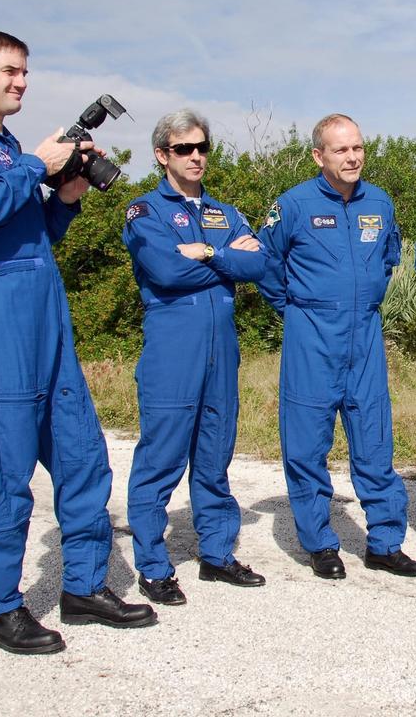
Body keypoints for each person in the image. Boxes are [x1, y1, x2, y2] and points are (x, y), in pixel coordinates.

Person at [0, 29, 154, 655]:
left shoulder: (6, 146)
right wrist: (36, 165)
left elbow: (30, 231)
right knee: (8, 465)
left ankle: (81, 588)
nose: (21, 81)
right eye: (10, 71)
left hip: (43, 308)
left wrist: (65, 195)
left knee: (82, 455)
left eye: (25, 71)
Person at [255, 113, 416, 580]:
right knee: (308, 444)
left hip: (365, 334)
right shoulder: (293, 204)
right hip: (311, 333)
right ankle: (320, 543)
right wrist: (293, 307)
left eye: (358, 148)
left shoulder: (380, 202)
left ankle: (385, 542)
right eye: (341, 149)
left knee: (374, 441)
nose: (352, 157)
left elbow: (389, 259)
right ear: (318, 155)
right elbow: (263, 261)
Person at [123, 110, 269, 606]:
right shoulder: (145, 211)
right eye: (184, 149)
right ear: (162, 154)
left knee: (214, 456)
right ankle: (153, 564)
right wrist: (226, 257)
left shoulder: (223, 213)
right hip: (172, 350)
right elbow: (164, 270)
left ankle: (217, 553)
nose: (196, 157)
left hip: (220, 353)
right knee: (160, 459)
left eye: (202, 147)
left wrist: (206, 253)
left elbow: (259, 261)